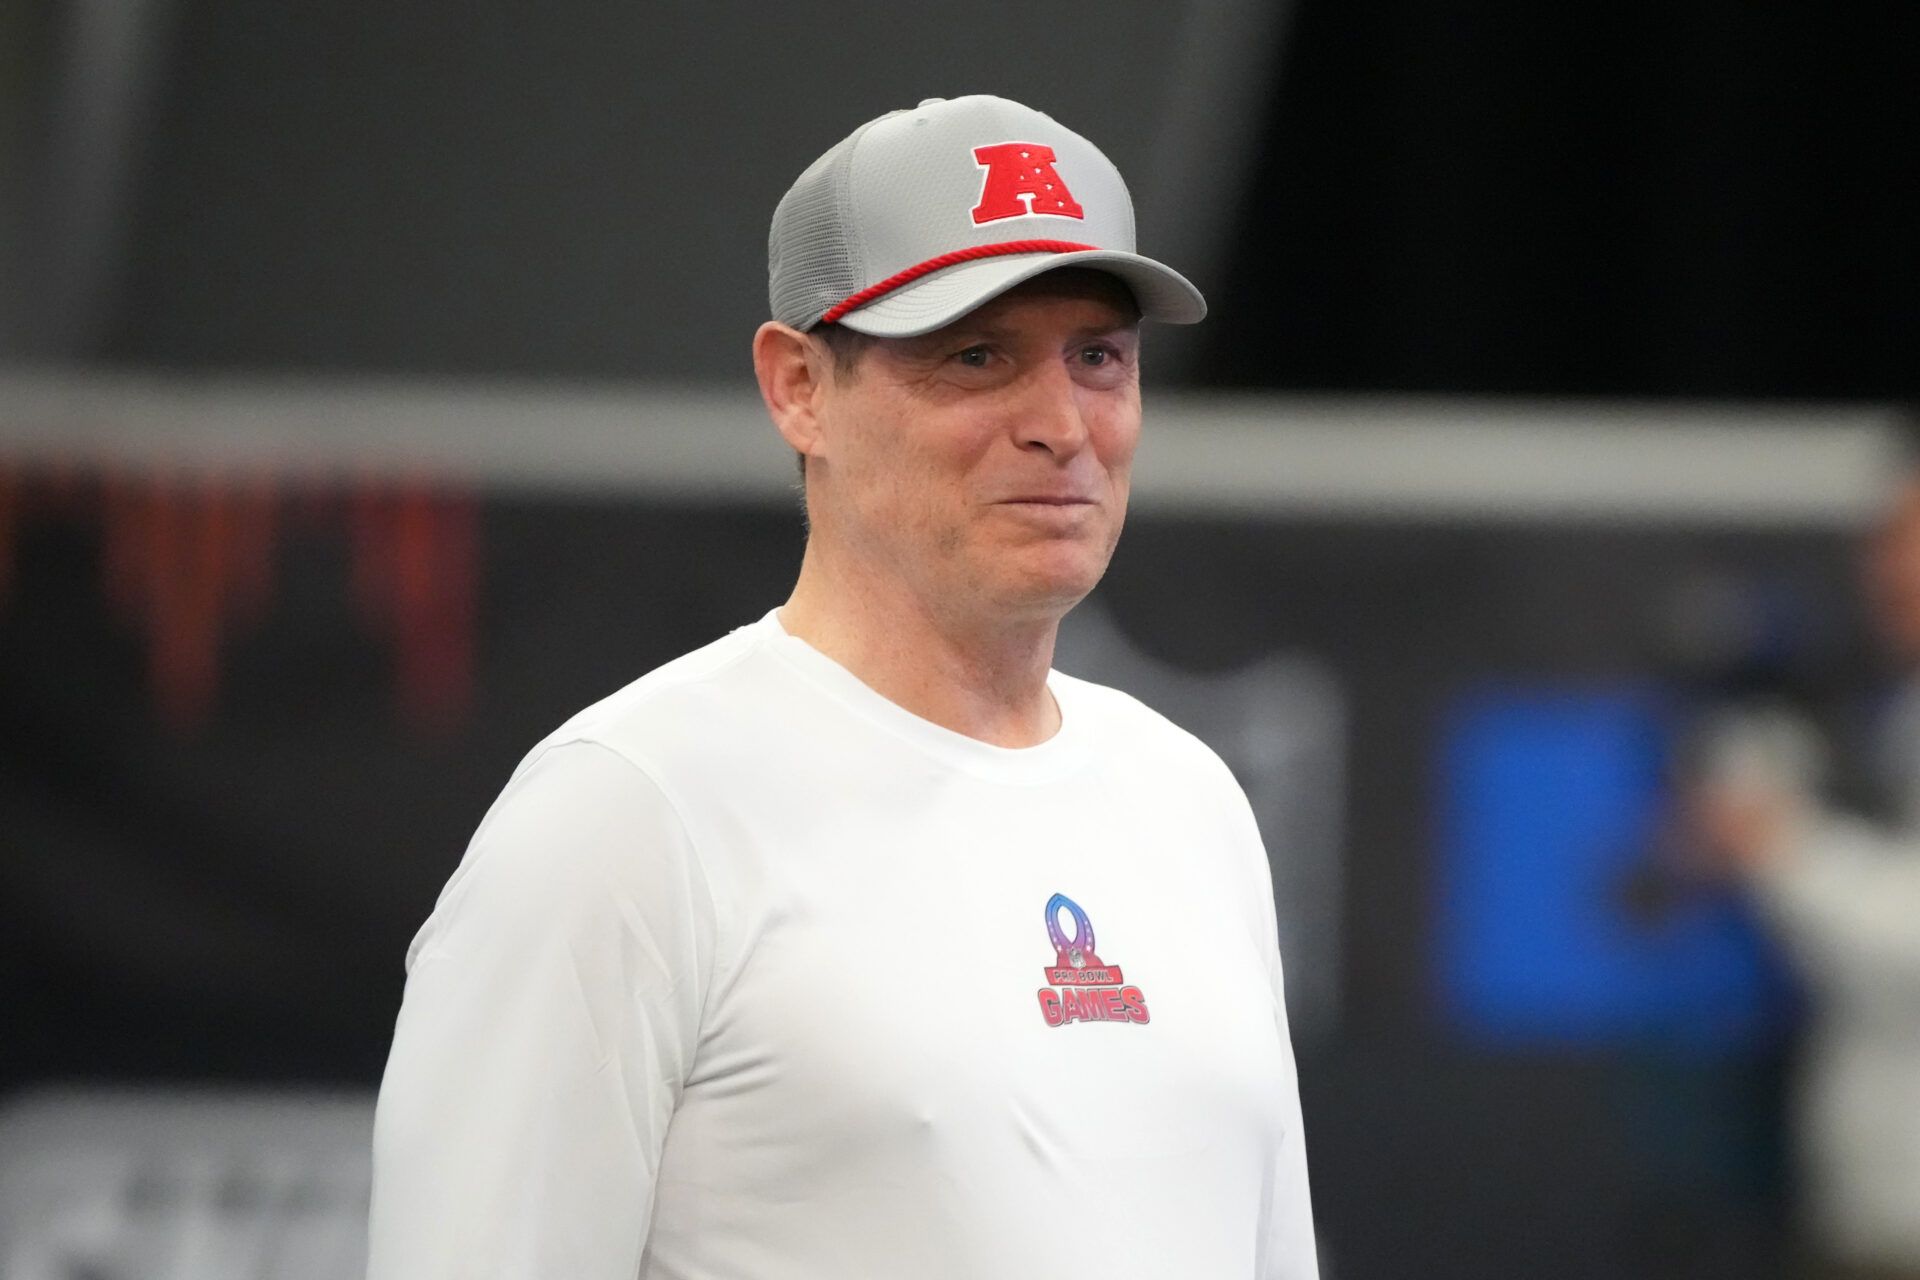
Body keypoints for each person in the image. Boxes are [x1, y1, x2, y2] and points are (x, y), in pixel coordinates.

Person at [365, 94, 1318, 1280]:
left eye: (1099, 357)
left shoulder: (1192, 803)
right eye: (978, 354)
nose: (1062, 425)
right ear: (799, 385)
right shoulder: (628, 813)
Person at [1688, 473, 1920, 1280]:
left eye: (1910, 539)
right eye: (1881, 542)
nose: (1888, 569)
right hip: (1861, 1221)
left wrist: (1779, 844)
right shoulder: (1888, 715)